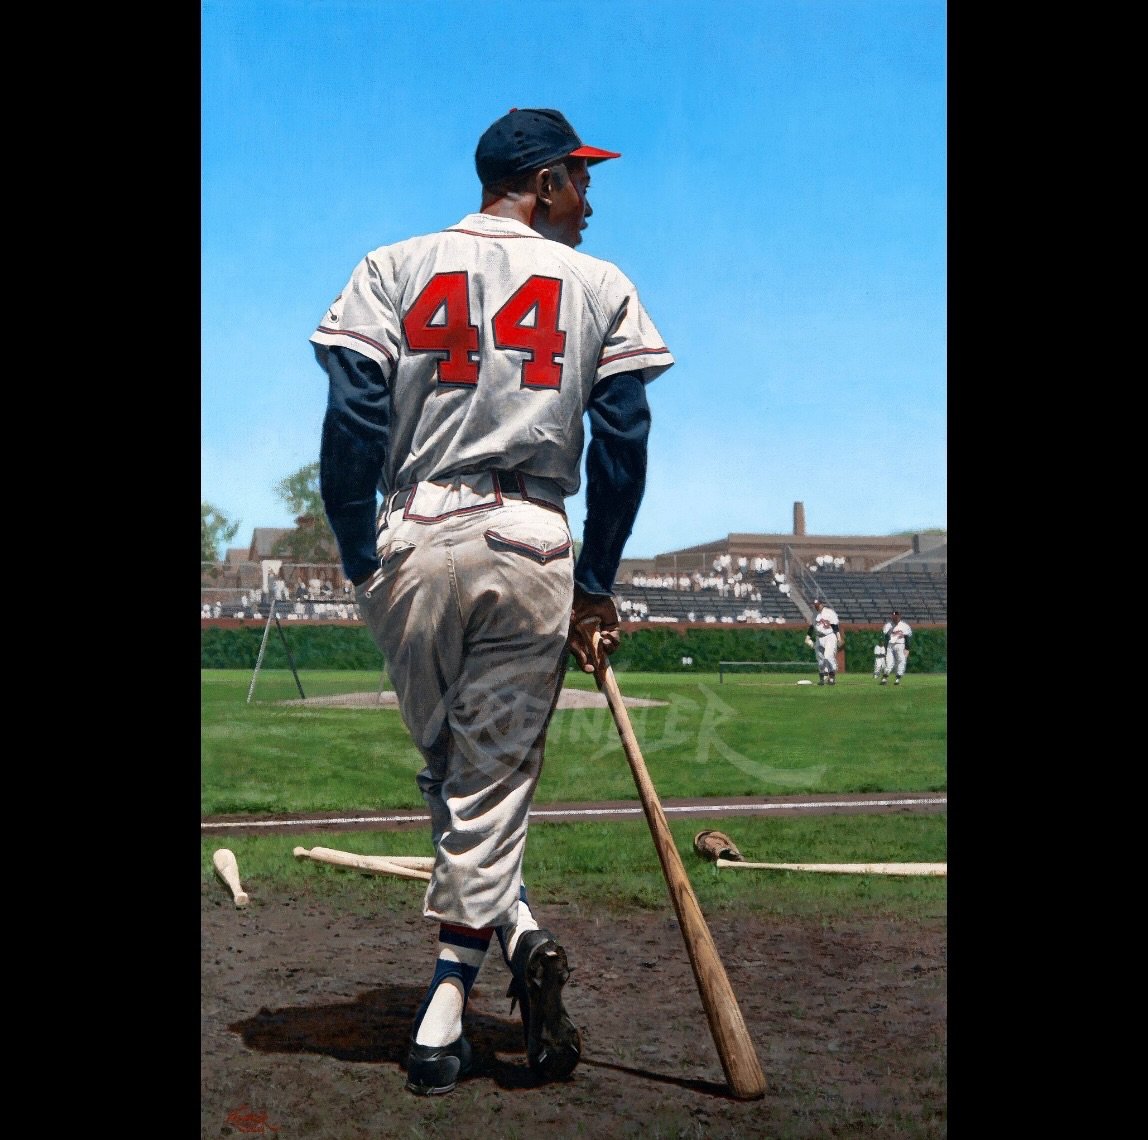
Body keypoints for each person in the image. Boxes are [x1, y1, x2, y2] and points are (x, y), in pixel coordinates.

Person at [310, 107, 673, 1097]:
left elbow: (352, 413)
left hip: (413, 533)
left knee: (450, 776)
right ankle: (443, 1013)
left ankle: (511, 940)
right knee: (485, 785)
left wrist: (358, 553)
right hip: (529, 536)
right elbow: (625, 440)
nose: (588, 199)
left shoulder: (390, 263)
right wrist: (595, 585)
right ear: (542, 183)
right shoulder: (600, 283)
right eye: (579, 179)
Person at [810, 597, 843, 685]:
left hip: (829, 636)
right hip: (819, 638)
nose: (816, 607)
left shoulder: (829, 612)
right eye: (815, 605)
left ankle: (831, 677)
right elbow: (812, 627)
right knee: (820, 661)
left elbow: (835, 626)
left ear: (822, 604)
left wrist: (839, 637)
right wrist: (808, 637)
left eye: (818, 605)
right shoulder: (814, 614)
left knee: (828, 657)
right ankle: (822, 678)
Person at [884, 609, 913, 684]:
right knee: (889, 663)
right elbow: (886, 638)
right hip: (890, 646)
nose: (895, 617)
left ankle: (897, 679)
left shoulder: (905, 626)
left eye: (897, 616)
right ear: (892, 616)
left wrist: (907, 648)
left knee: (901, 661)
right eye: (894, 616)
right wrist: (885, 648)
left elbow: (907, 637)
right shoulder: (888, 625)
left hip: (900, 645)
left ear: (900, 616)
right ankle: (884, 678)